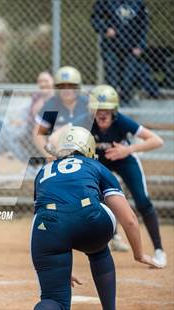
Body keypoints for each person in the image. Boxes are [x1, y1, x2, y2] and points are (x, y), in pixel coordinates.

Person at [31, 126, 161, 310]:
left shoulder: (43, 172)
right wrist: (138, 254)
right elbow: (129, 219)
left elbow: (41, 216)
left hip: (49, 228)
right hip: (90, 222)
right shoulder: (96, 166)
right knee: (98, 248)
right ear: (89, 148)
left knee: (53, 300)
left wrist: (57, 269)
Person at [88, 84, 167, 266]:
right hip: (101, 162)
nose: (102, 112)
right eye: (98, 108)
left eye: (107, 108)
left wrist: (128, 149)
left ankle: (159, 250)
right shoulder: (87, 122)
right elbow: (66, 133)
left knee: (142, 201)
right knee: (95, 196)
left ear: (114, 109)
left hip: (124, 158)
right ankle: (112, 236)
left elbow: (157, 140)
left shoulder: (122, 121)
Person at [91, 0, 159, 105]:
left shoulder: (138, 3)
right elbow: (95, 18)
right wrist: (105, 29)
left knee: (127, 80)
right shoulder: (105, 2)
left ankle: (126, 107)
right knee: (111, 78)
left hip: (131, 48)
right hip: (111, 47)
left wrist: (140, 45)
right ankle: (111, 107)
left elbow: (143, 25)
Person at [33, 66, 90, 159]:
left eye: (70, 85)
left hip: (86, 153)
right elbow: (38, 135)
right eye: (62, 86)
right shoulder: (52, 104)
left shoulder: (87, 104)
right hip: (59, 154)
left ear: (77, 87)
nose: (66, 89)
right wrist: (49, 155)